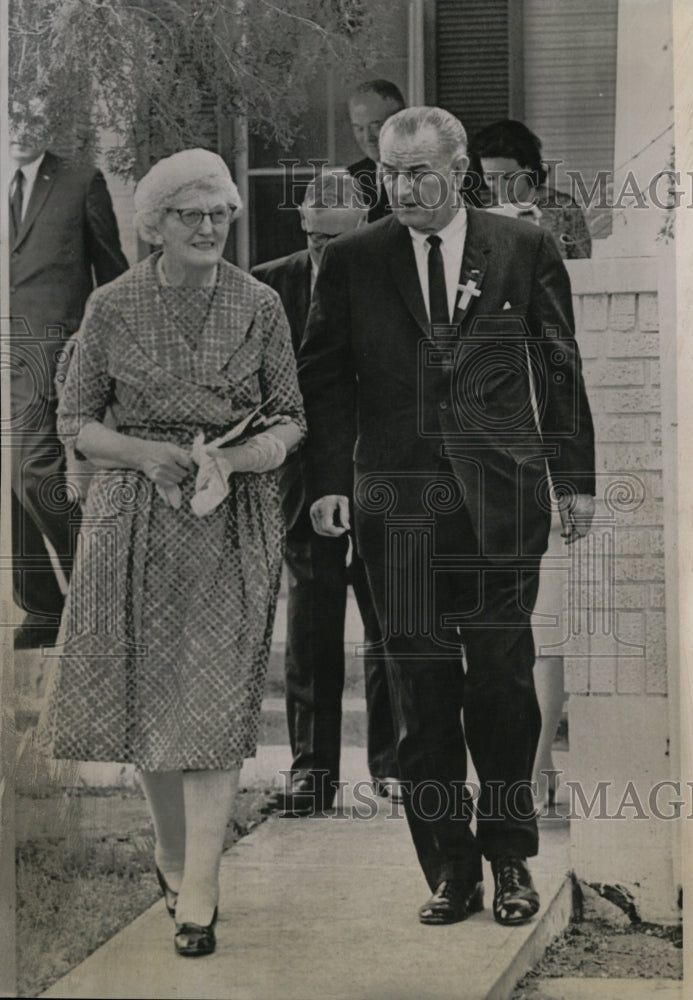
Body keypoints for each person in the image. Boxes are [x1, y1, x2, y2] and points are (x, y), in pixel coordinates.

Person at [298, 107, 596, 928]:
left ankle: (509, 861)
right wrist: (328, 482)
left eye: (421, 172)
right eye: (391, 173)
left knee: (502, 684)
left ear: (460, 168)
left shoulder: (524, 246)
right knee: (419, 690)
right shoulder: (356, 261)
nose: (404, 189)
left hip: (502, 502)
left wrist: (575, 481)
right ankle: (449, 869)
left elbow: (559, 369)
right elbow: (324, 381)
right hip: (395, 508)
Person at [42, 149, 305, 957]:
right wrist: (140, 453)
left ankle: (202, 889)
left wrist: (235, 460)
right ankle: (171, 853)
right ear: (154, 225)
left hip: (229, 520)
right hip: (133, 519)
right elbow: (74, 423)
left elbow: (290, 419)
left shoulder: (259, 304)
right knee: (151, 699)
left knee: (216, 697)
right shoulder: (112, 307)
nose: (208, 227)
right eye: (190, 214)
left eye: (220, 212)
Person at [252, 171, 399, 813]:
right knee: (311, 608)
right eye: (314, 239)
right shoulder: (266, 283)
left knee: (385, 608)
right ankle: (313, 770)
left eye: (338, 239)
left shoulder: (394, 275)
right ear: (302, 228)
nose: (324, 253)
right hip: (299, 463)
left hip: (375, 461)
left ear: (365, 227)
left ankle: (395, 763)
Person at [470, 118, 593, 811]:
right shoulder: (471, 233)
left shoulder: (556, 220)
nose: (497, 188)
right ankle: (526, 769)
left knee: (554, 618)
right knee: (523, 625)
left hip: (547, 442)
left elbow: (567, 326)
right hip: (493, 448)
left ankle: (539, 759)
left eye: (507, 174)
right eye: (486, 177)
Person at [8, 96, 129, 650]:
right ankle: (42, 605)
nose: (19, 126)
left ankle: (100, 584)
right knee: (18, 479)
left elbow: (112, 274)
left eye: (31, 115)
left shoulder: (81, 182)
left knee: (34, 470)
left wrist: (104, 346)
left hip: (48, 351)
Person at [469, 118, 592, 259]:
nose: (499, 187)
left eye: (509, 177)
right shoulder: (485, 216)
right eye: (490, 178)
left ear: (529, 169)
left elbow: (583, 266)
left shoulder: (563, 210)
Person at [347, 79, 405, 223]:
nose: (367, 138)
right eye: (359, 128)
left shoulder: (427, 171)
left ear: (400, 122)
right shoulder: (351, 179)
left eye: (375, 126)